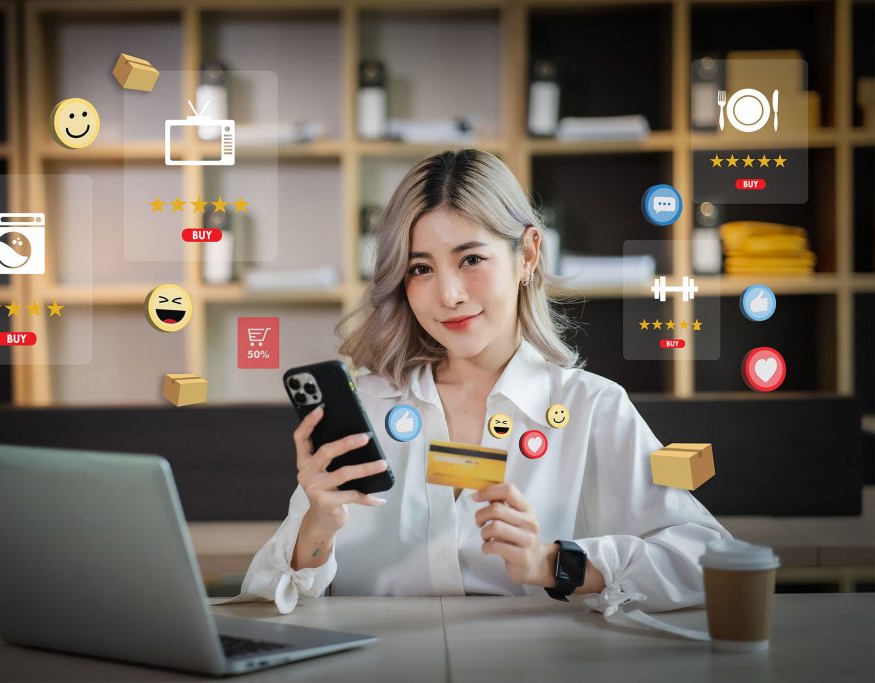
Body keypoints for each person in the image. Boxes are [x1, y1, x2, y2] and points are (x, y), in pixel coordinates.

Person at [235, 149, 729, 615]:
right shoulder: (364, 408)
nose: (448, 294)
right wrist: (317, 528)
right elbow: (263, 596)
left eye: (471, 259)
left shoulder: (592, 406)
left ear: (528, 254)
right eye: (421, 268)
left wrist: (556, 562)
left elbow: (710, 558)